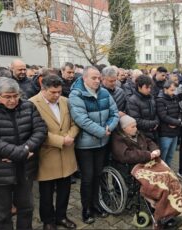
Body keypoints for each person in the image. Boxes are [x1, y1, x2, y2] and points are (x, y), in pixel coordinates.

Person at [111, 115, 182, 229]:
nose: (136, 128)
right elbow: (126, 155)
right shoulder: (118, 139)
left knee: (170, 177)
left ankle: (172, 208)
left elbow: (149, 141)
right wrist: (148, 155)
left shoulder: (137, 133)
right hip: (134, 167)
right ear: (124, 129)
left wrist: (155, 149)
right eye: (133, 127)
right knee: (159, 184)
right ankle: (161, 212)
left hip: (148, 162)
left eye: (135, 126)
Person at [0, 77, 48, 230]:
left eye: (15, 95)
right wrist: (20, 153)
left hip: (25, 169)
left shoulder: (28, 107)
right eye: (7, 97)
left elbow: (40, 130)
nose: (12, 100)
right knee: (3, 214)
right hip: (0, 171)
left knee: (26, 208)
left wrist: (24, 150)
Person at [68, 66, 119, 224]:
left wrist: (110, 126)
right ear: (85, 78)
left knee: (98, 175)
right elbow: (81, 119)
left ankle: (97, 204)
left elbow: (114, 113)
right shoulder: (76, 95)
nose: (97, 81)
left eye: (98, 78)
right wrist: (101, 131)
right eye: (93, 78)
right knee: (88, 178)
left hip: (102, 143)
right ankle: (86, 209)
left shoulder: (104, 93)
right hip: (85, 145)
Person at [29, 75, 79, 230]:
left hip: (67, 153)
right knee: (46, 192)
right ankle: (48, 221)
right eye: (53, 92)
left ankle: (61, 217)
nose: (57, 95)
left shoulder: (65, 101)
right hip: (47, 155)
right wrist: (60, 141)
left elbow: (75, 122)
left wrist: (71, 135)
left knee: (65, 189)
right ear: (43, 89)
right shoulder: (31, 103)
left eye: (59, 91)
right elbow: (35, 130)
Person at [156, 81, 181, 167]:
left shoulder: (174, 98)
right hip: (165, 133)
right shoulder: (160, 100)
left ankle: (168, 173)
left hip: (175, 132)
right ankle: (162, 174)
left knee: (170, 155)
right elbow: (163, 116)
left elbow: (179, 111)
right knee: (163, 156)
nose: (173, 92)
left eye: (174, 90)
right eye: (171, 90)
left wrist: (178, 121)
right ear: (165, 89)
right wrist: (177, 122)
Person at [127, 75, 159, 142]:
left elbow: (156, 112)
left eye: (150, 87)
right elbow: (136, 120)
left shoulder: (151, 97)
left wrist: (157, 122)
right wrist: (154, 123)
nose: (149, 90)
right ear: (139, 86)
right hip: (141, 135)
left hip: (154, 132)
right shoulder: (132, 100)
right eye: (146, 87)